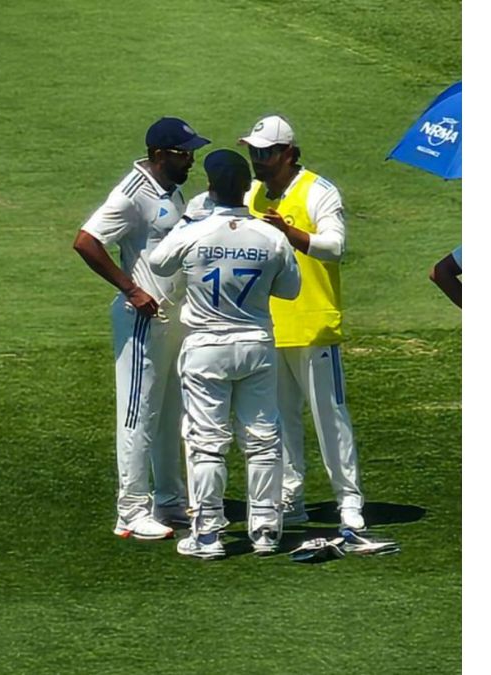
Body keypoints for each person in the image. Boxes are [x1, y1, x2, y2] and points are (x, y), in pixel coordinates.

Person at [148, 149, 302, 559]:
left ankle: (208, 534)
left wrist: (188, 223)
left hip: (205, 348)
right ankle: (267, 530)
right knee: (263, 438)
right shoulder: (270, 237)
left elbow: (159, 263)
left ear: (211, 188)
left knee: (206, 441)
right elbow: (290, 290)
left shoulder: (195, 230)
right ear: (247, 189)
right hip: (256, 345)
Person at [73, 117, 210, 540]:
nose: (191, 159)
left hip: (172, 320)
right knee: (138, 411)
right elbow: (86, 241)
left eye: (192, 152)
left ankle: (169, 500)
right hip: (142, 321)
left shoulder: (171, 189)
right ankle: (130, 509)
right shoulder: (132, 194)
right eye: (183, 153)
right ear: (158, 155)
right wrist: (131, 290)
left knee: (171, 411)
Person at [237, 115, 365, 531]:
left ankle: (348, 500)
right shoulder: (253, 193)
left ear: (289, 153)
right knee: (279, 419)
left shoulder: (318, 191)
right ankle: (291, 495)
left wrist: (290, 233)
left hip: (312, 323)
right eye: (254, 153)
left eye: (266, 153)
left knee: (330, 416)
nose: (258, 160)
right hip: (268, 323)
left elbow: (335, 246)